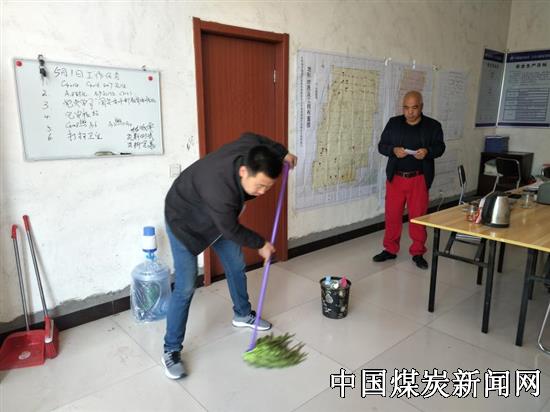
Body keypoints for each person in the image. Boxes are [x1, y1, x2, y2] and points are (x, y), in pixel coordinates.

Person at [162, 131, 297, 379]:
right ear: (244, 171)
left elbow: (253, 136)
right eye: (260, 186)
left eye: (268, 187)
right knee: (185, 286)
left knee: (235, 264)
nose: (262, 192)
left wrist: (282, 152)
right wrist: (261, 244)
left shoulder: (249, 148)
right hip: (184, 220)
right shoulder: (220, 190)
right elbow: (231, 229)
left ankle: (242, 314)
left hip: (215, 219)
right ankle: (171, 349)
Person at [373, 91, 445, 270]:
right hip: (396, 179)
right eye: (406, 108)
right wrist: (393, 150)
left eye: (414, 108)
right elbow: (382, 146)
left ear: (421, 107)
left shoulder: (433, 126)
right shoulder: (394, 123)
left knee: (418, 217)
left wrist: (427, 152)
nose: (410, 112)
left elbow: (440, 147)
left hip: (418, 179)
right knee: (392, 216)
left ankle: (418, 252)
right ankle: (390, 249)